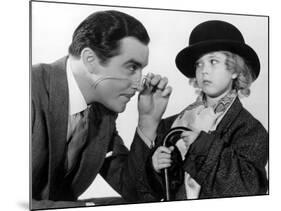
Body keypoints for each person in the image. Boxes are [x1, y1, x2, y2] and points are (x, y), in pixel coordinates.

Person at [31, 10, 172, 209]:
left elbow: (135, 193)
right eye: (131, 67)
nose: (139, 84)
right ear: (90, 60)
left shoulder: (102, 114)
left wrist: (147, 122)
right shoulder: (24, 90)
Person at [144, 20, 268, 201]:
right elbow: (151, 192)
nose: (204, 71)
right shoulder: (171, 125)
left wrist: (202, 146)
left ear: (234, 70)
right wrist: (155, 168)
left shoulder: (250, 130)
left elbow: (248, 189)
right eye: (199, 64)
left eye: (213, 61)